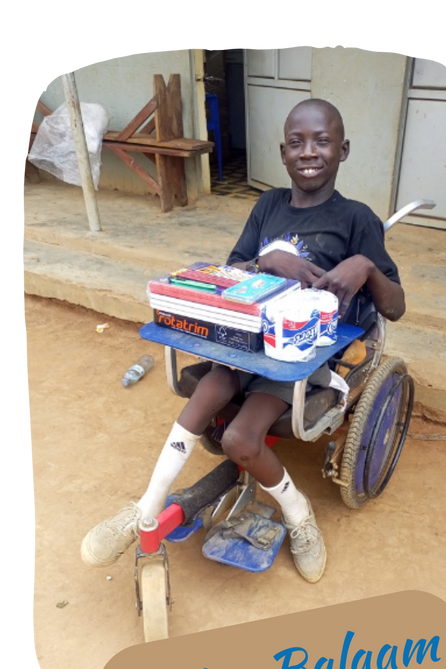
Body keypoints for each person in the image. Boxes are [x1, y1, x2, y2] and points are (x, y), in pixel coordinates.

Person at [81, 99, 405, 584]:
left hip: (305, 355)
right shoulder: (268, 206)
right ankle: (144, 509)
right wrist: (266, 262)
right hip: (247, 341)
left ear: (344, 149)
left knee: (238, 438)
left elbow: (395, 306)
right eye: (297, 142)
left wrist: (366, 266)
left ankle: (300, 518)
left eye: (322, 141)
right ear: (282, 151)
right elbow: (227, 273)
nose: (309, 152)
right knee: (208, 392)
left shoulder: (358, 220)